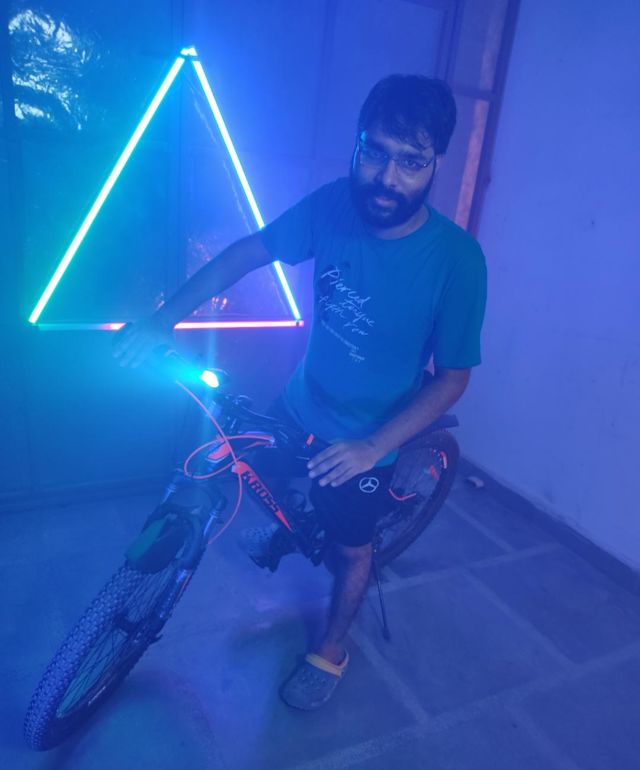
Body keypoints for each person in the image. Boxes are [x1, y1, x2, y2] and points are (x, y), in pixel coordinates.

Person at [114, 74, 487, 710]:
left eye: (411, 161)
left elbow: (453, 377)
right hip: (302, 399)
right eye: (374, 151)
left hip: (370, 438)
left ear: (436, 163)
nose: (386, 178)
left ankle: (333, 649)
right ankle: (296, 527)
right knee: (261, 471)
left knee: (351, 550)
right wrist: (163, 317)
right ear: (357, 143)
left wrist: (373, 447)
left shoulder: (458, 260)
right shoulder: (335, 204)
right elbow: (248, 252)